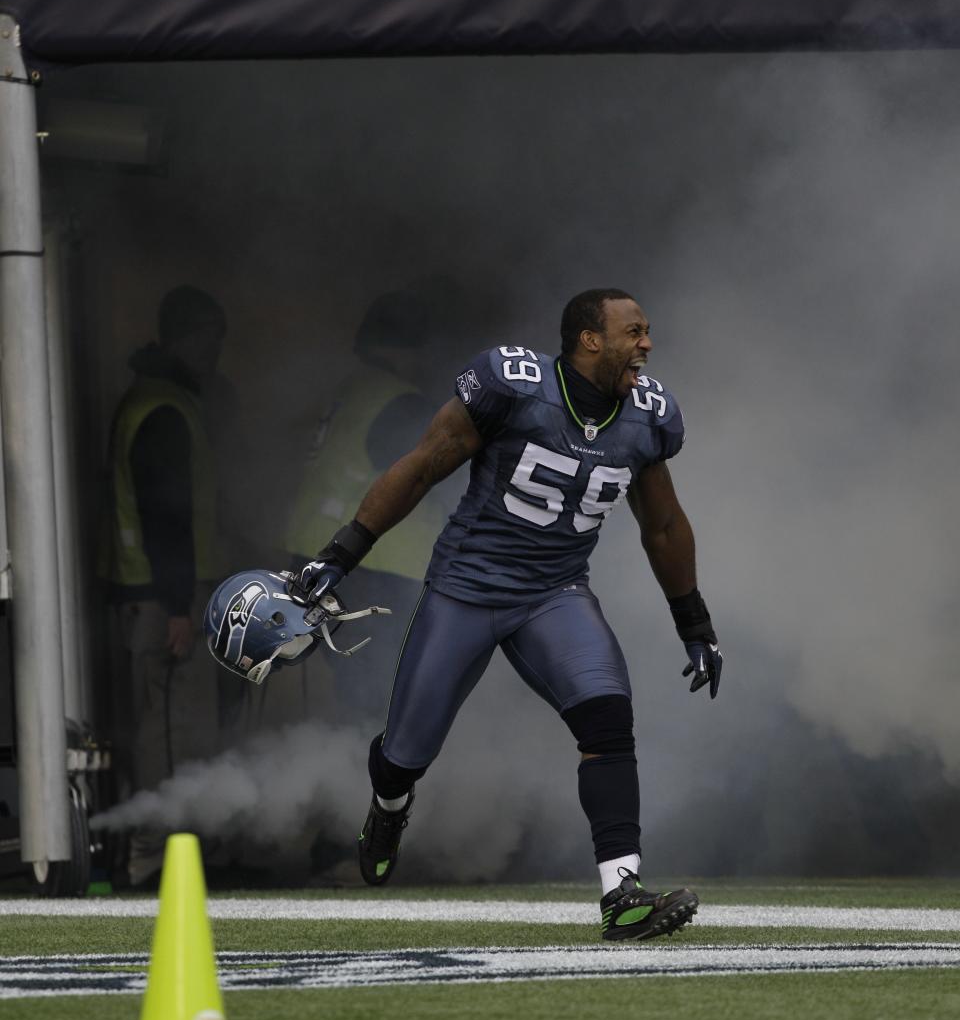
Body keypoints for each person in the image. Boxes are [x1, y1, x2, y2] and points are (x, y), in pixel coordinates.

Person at [293, 288, 724, 941]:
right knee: (406, 750)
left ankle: (623, 895)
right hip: (465, 589)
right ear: (589, 340)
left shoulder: (645, 417)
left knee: (608, 719)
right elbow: (420, 469)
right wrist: (341, 553)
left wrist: (693, 619)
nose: (647, 344)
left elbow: (662, 527)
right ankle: (388, 804)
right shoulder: (514, 387)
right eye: (633, 331)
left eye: (646, 332)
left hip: (554, 594)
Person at [101, 285, 231, 886]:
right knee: (173, 729)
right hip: (165, 600)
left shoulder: (146, 400)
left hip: (144, 595)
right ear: (190, 338)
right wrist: (181, 606)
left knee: (161, 724)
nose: (216, 356)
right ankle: (157, 856)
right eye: (212, 342)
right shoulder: (166, 409)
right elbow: (166, 513)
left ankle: (157, 850)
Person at [283, 290, 445, 724]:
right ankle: (367, 780)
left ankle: (345, 773)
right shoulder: (402, 404)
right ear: (409, 348)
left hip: (324, 558)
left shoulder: (353, 391)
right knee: (379, 698)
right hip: (374, 570)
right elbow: (433, 480)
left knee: (357, 689)